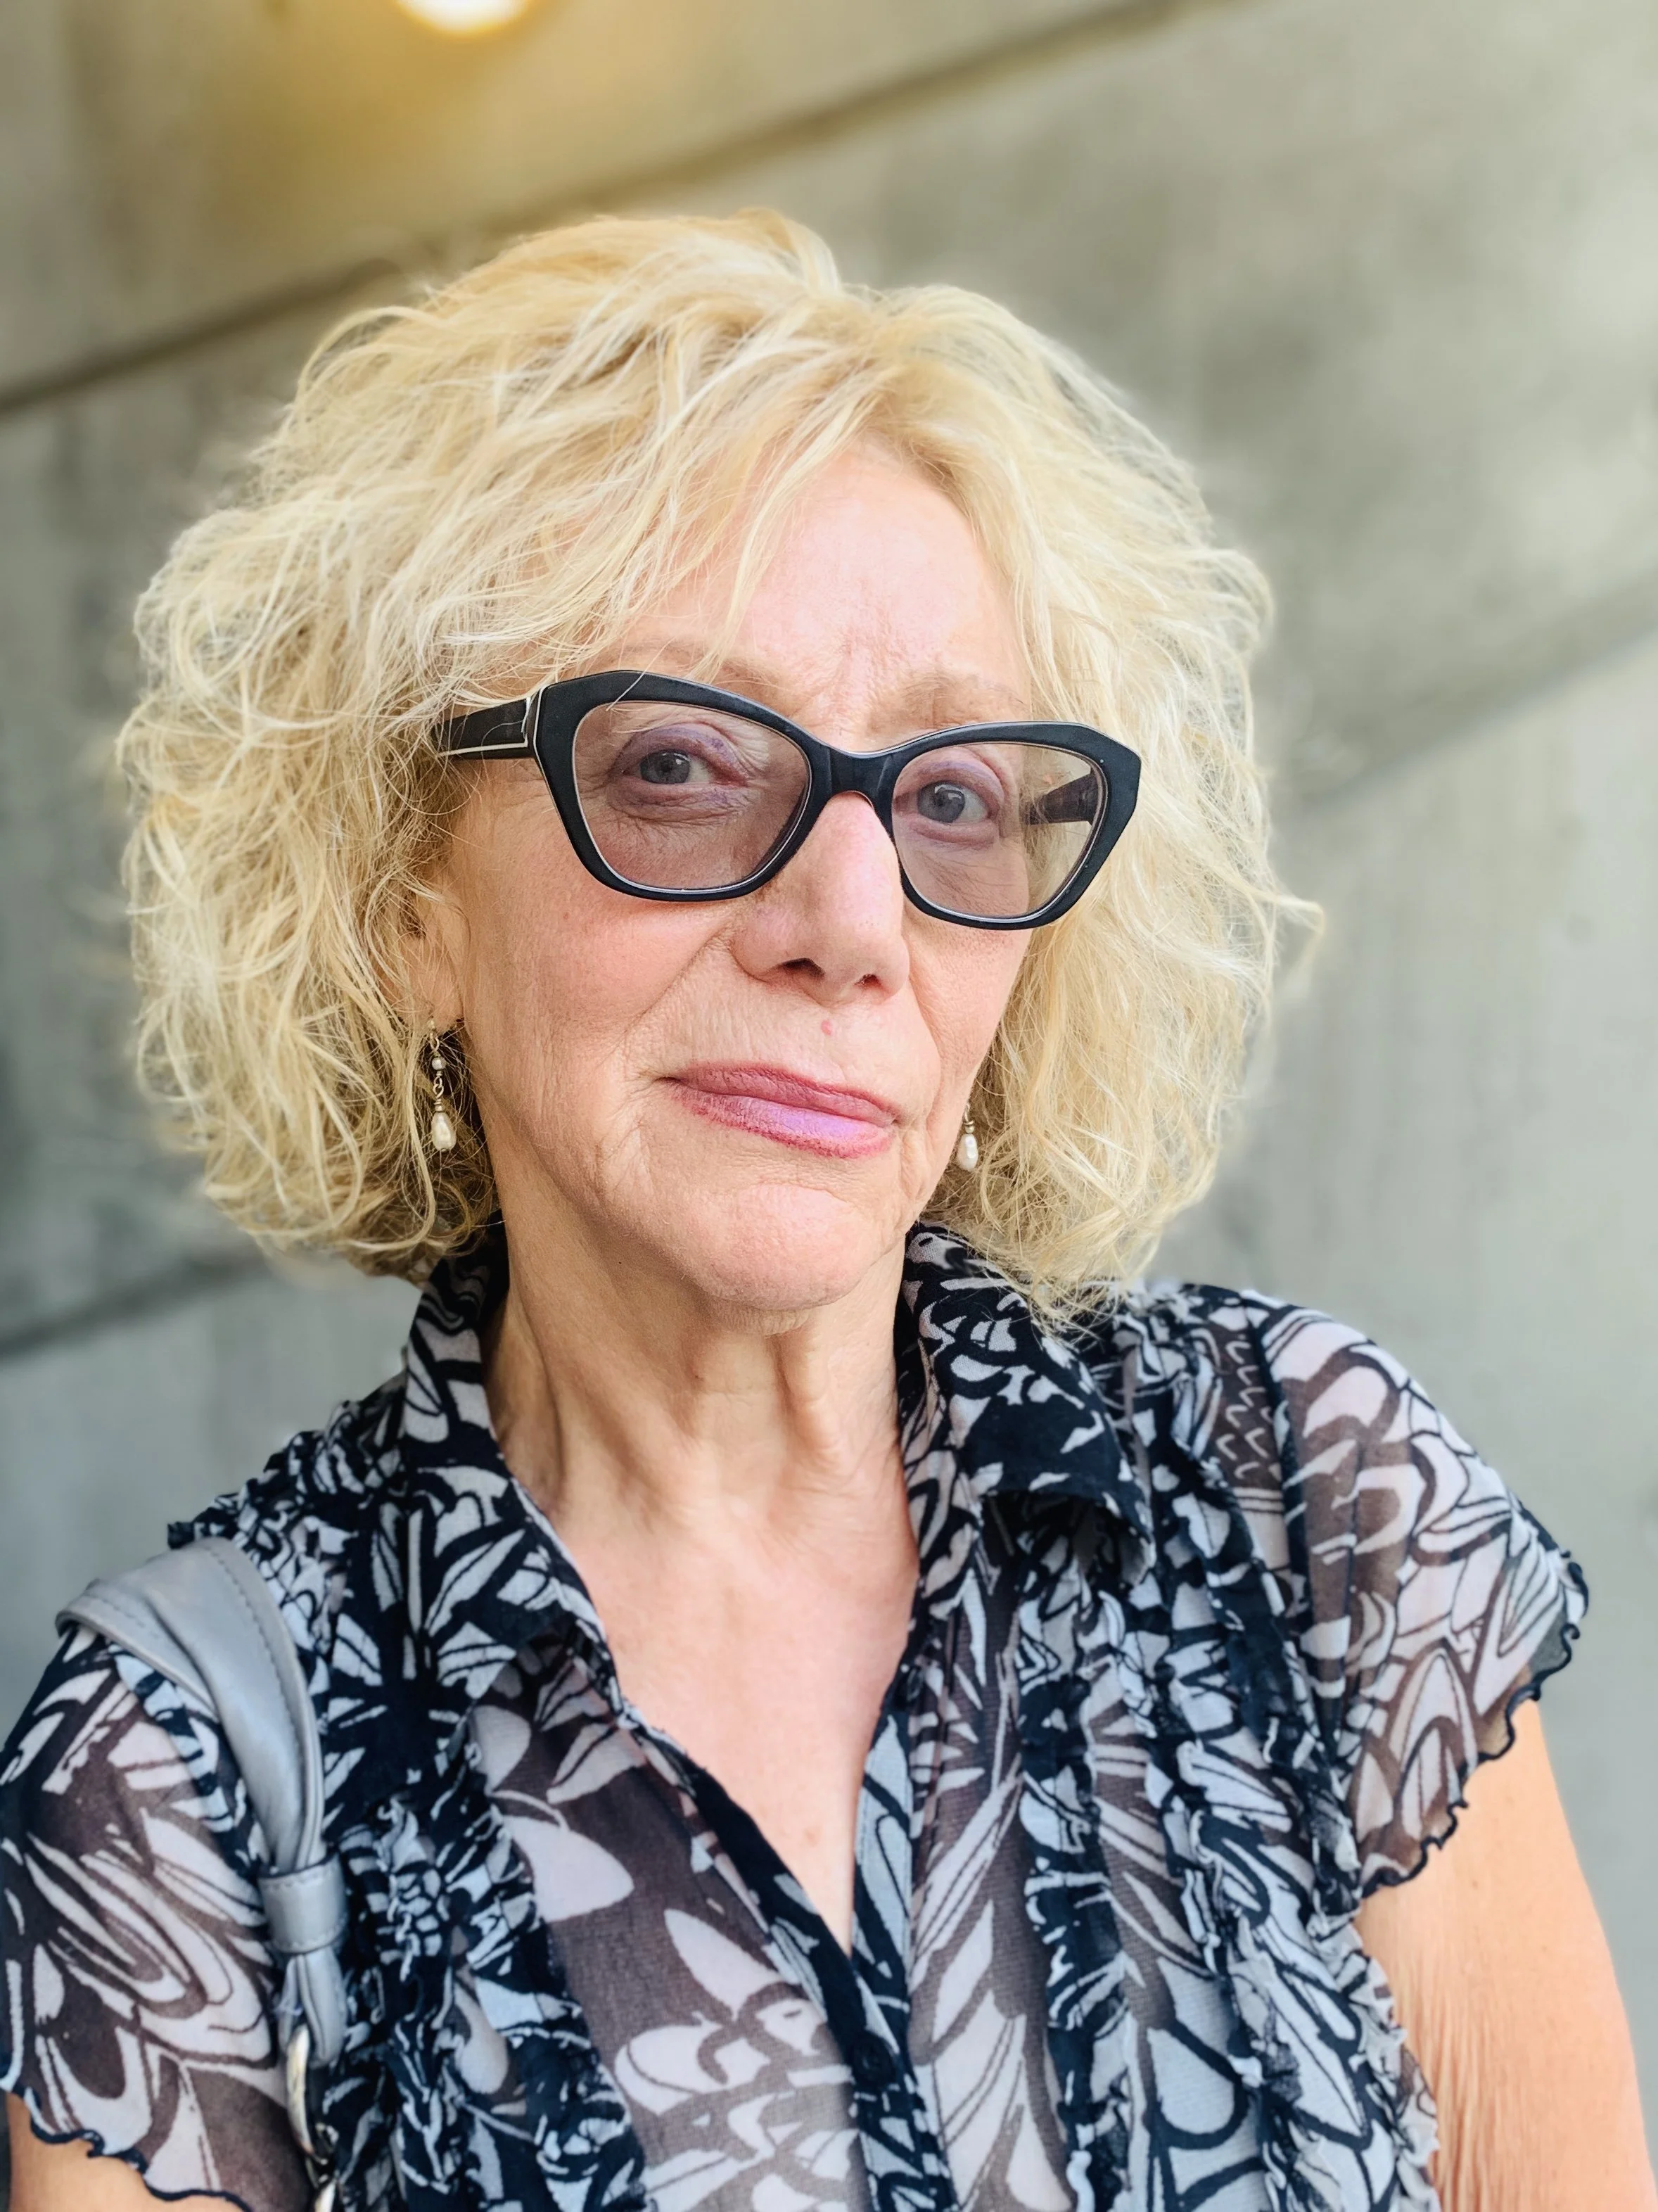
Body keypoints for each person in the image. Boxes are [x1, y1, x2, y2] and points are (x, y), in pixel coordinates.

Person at [0, 211, 1649, 2212]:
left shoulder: (1304, 1507)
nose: (852, 923)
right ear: (398, 904)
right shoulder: (181, 1770)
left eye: (950, 799)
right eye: (685, 764)